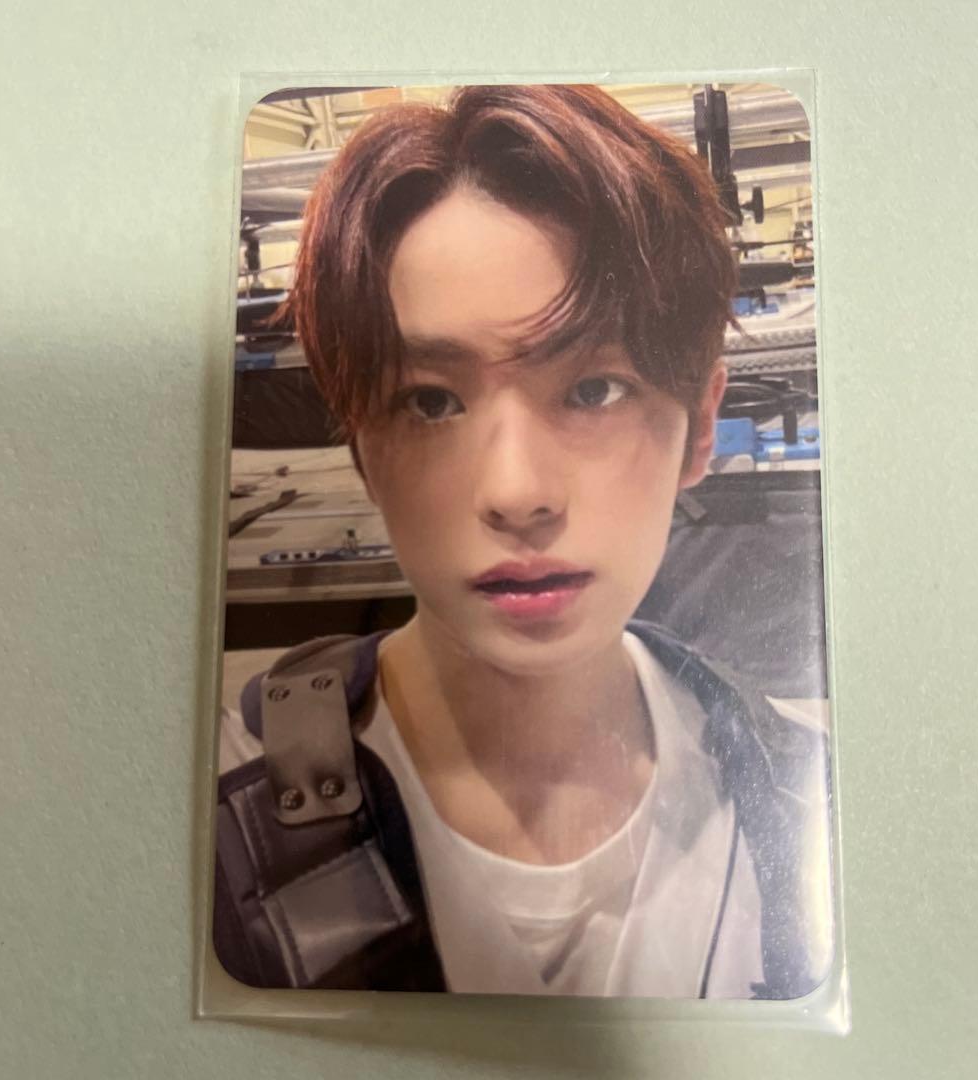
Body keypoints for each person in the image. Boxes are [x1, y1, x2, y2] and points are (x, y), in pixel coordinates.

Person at [213, 84, 832, 999]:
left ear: (701, 424)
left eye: (594, 390)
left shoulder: (806, 806)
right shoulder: (205, 818)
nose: (517, 494)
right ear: (360, 446)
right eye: (430, 401)